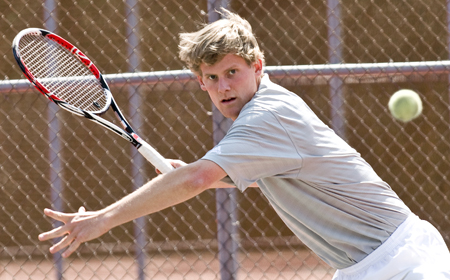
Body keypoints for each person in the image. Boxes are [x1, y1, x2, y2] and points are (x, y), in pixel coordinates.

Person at [39, 8, 450, 279]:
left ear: (257, 66)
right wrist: (203, 174)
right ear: (201, 83)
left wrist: (104, 219)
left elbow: (198, 178)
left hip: (403, 263)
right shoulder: (267, 116)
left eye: (233, 72)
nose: (224, 87)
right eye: (213, 78)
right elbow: (259, 179)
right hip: (369, 264)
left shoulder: (267, 117)